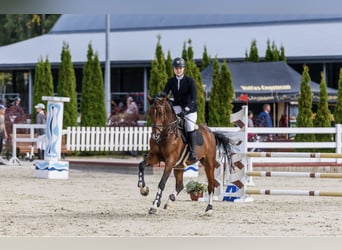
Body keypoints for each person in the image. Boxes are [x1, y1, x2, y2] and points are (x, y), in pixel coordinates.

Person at [163, 57, 198, 164]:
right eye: (176, 68)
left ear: (183, 69)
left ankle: (193, 152)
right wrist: (160, 97)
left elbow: (193, 97)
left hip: (190, 109)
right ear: (174, 69)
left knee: (189, 126)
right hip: (177, 107)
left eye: (180, 68)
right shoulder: (170, 81)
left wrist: (186, 109)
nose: (178, 70)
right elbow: (165, 93)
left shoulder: (190, 81)